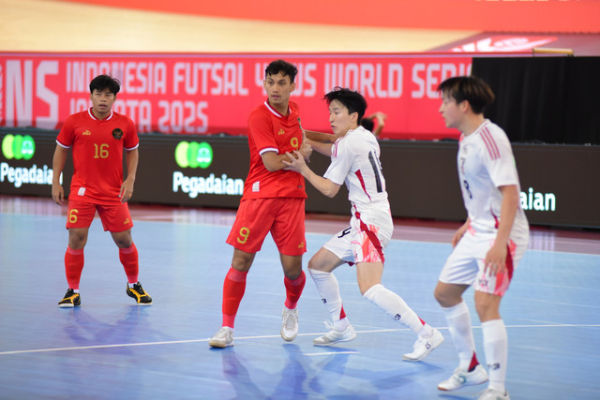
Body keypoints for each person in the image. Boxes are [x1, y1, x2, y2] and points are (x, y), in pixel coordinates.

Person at [283, 87, 443, 361]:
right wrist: (301, 134)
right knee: (318, 266)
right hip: (365, 220)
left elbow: (330, 189)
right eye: (330, 112)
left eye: (337, 112)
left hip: (370, 223)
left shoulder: (348, 144)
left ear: (353, 115)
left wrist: (303, 168)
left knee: (370, 287)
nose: (331, 117)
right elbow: (331, 144)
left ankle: (426, 333)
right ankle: (341, 326)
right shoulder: (364, 136)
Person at [433, 76, 529, 400]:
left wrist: (500, 244)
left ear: (464, 105)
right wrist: (468, 222)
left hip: (503, 233)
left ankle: (498, 390)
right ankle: (471, 367)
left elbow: (511, 194)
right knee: (445, 293)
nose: (440, 108)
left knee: (485, 303)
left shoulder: (491, 138)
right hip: (478, 228)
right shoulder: (465, 139)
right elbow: (481, 190)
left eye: (446, 101)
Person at [209, 60, 312, 348]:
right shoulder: (258, 116)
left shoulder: (297, 111)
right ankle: (226, 329)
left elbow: (301, 140)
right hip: (259, 195)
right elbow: (271, 162)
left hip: (292, 198)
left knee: (293, 270)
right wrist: (301, 154)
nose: (275, 88)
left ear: (293, 86)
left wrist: (316, 144)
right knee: (241, 261)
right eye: (270, 82)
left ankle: (291, 307)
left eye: (281, 82)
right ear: (264, 84)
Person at [52, 74, 152, 307]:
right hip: (82, 191)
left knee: (124, 240)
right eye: (98, 94)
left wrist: (130, 179)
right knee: (76, 237)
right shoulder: (74, 122)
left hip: (113, 192)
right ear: (91, 96)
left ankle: (133, 285)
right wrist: (56, 181)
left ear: (115, 98)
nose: (103, 99)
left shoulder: (125, 123)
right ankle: (72, 291)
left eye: (108, 95)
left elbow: (133, 151)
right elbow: (61, 150)